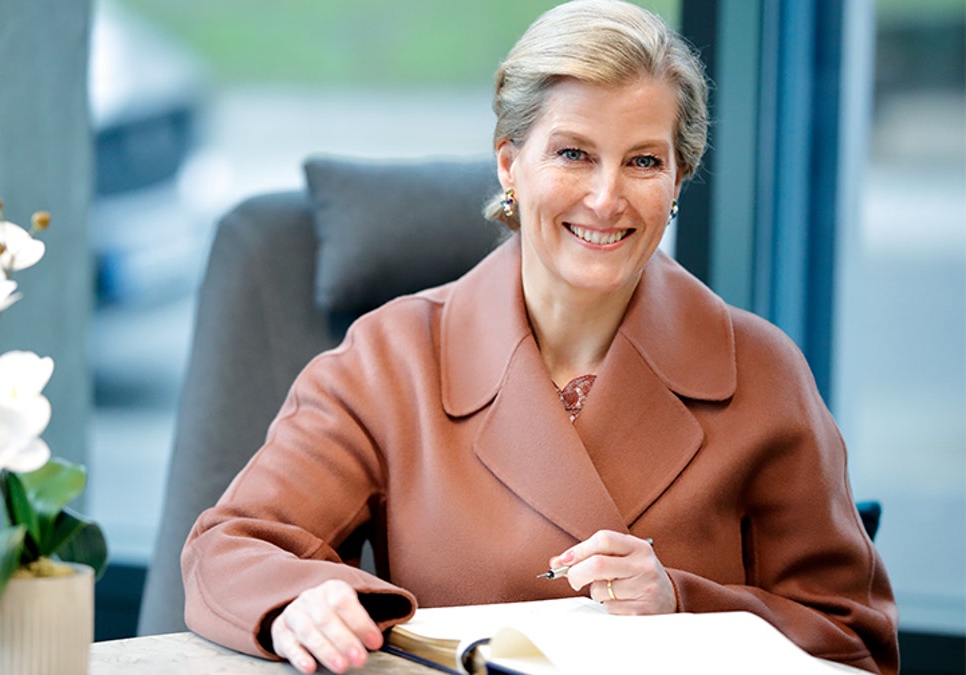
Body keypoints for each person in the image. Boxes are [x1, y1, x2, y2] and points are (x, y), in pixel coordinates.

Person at [180, 1, 900, 673]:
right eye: (573, 154)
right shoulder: (388, 357)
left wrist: (681, 601)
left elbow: (853, 638)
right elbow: (231, 547)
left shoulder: (762, 371)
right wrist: (301, 604)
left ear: (679, 178)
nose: (607, 197)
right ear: (509, 165)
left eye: (644, 161)